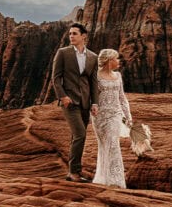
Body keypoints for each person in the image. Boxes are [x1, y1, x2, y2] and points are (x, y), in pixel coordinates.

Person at [51, 23, 99, 182]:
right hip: (69, 102)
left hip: (85, 102)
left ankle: (73, 171)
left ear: (83, 36)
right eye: (70, 34)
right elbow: (56, 78)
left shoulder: (93, 57)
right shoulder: (63, 53)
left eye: (75, 34)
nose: (71, 36)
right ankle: (74, 172)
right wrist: (62, 97)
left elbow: (93, 82)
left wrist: (95, 103)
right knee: (80, 134)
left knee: (77, 137)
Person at [91, 48, 131, 188]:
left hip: (115, 114)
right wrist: (93, 105)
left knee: (113, 144)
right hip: (99, 116)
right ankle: (103, 178)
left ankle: (116, 181)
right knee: (104, 145)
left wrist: (128, 116)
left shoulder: (118, 76)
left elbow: (122, 97)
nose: (118, 61)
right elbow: (91, 95)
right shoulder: (95, 76)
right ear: (109, 61)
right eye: (116, 58)